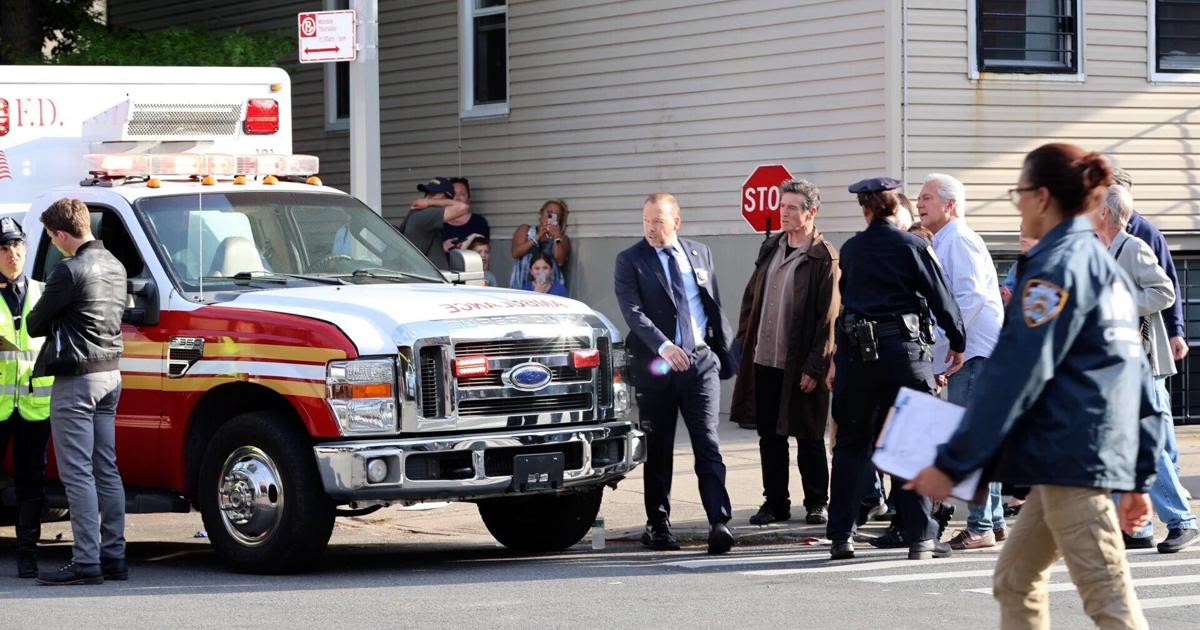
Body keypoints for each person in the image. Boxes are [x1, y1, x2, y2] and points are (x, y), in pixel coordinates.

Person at [907, 144, 1163, 629]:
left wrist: (952, 464)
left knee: (1107, 598)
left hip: (1074, 460)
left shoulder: (1054, 270)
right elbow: (1135, 377)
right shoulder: (1100, 265)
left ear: (1042, 197)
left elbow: (1013, 374)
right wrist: (1139, 475)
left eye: (1019, 193)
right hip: (1069, 456)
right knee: (1015, 579)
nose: (1017, 204)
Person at [824, 176, 966, 561]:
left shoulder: (851, 250)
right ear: (894, 207)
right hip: (904, 355)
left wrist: (837, 359)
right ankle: (921, 538)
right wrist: (957, 342)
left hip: (858, 356)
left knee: (852, 445)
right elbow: (941, 296)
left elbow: (847, 305)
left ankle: (842, 536)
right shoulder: (914, 245)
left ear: (866, 209)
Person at [614, 192, 738, 555]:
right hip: (658, 365)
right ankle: (658, 523)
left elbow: (709, 302)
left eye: (658, 220)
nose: (651, 228)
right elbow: (633, 313)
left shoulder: (699, 253)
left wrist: (717, 351)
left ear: (676, 222)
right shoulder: (631, 260)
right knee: (660, 448)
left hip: (700, 363)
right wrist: (664, 346)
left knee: (707, 442)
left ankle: (719, 521)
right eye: (646, 220)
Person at [1091, 184, 1198, 554]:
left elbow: (1164, 291)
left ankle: (1182, 520)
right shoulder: (1099, 249)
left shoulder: (1133, 246)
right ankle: (1137, 529)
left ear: (1105, 212)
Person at [28, 198, 129, 586]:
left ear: (62, 234)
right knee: (107, 468)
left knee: (77, 474)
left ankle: (86, 561)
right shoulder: (115, 265)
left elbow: (37, 324)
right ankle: (114, 556)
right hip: (111, 375)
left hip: (77, 378)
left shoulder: (68, 270)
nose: (53, 244)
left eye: (53, 238)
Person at [729, 179, 839, 527]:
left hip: (801, 364)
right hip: (765, 358)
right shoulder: (771, 247)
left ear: (811, 212)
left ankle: (817, 502)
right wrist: (743, 343)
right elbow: (751, 299)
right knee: (770, 437)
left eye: (793, 207)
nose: (785, 213)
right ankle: (775, 502)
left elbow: (828, 318)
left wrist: (815, 366)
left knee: (808, 434)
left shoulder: (824, 256)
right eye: (782, 206)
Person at [917, 173, 1007, 551]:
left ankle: (980, 524)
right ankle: (994, 520)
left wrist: (948, 347)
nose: (919, 204)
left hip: (974, 354)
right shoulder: (947, 240)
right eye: (919, 198)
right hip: (972, 352)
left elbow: (968, 300)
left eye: (927, 198)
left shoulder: (959, 241)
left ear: (950, 205)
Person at [0, 218, 54, 578]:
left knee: (31, 483)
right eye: (4, 248)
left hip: (36, 405)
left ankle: (27, 552)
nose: (12, 253)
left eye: (17, 245)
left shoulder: (44, 292)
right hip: (0, 405)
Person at [1114, 168, 1189, 365]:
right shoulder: (1094, 230)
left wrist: (1176, 332)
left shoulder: (1145, 234)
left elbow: (1168, 285)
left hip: (1142, 341)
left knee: (1153, 394)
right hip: (1108, 343)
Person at [400, 177, 471, 270]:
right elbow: (463, 207)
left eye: (430, 193)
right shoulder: (424, 215)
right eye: (427, 193)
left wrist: (442, 247)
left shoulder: (422, 217)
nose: (426, 196)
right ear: (441, 196)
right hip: (426, 282)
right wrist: (428, 202)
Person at [511, 199, 570, 289]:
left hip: (549, 287)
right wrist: (537, 236)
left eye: (556, 215)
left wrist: (557, 237)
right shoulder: (526, 230)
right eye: (549, 213)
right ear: (541, 213)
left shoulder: (562, 238)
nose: (551, 217)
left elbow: (560, 261)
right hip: (522, 283)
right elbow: (515, 253)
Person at [442, 177, 490, 253]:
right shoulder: (439, 223)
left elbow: (483, 252)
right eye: (453, 194)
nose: (457, 198)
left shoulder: (479, 222)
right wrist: (442, 247)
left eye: (462, 194)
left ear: (469, 199)